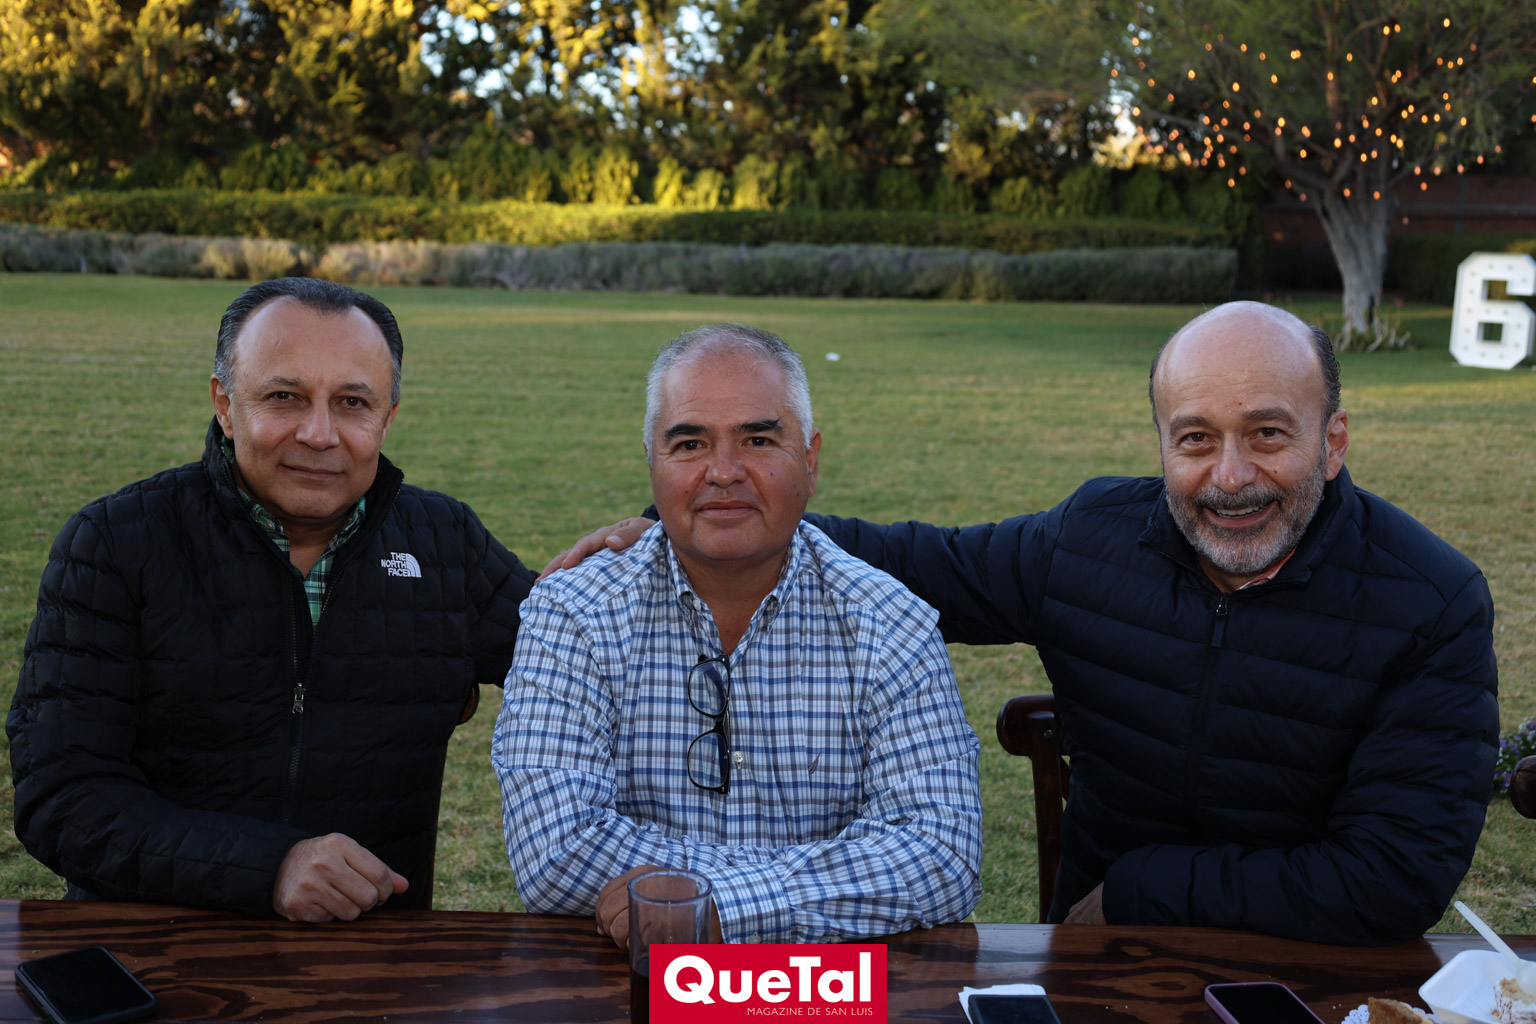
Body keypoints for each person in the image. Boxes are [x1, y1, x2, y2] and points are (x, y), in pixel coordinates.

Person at [547, 301, 1499, 946]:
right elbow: (929, 563)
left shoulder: (1429, 601)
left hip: (1312, 966)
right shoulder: (1094, 540)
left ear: (1332, 442)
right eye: (1196, 439)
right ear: (1161, 445)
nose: (1230, 476)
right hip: (1101, 968)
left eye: (1268, 434)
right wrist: (712, 521)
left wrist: (1141, 889)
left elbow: (1393, 876)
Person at [9, 277, 535, 923]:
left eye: (352, 402)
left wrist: (646, 544)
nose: (319, 433)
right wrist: (269, 867)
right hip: (156, 951)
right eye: (284, 397)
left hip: (371, 959)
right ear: (225, 405)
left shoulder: (447, 543)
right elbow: (62, 799)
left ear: (388, 418)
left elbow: (598, 652)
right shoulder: (117, 543)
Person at [493, 324, 983, 947]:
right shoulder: (573, 614)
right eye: (690, 444)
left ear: (810, 460)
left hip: (824, 992)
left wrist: (721, 905)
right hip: (629, 980)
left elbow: (942, 851)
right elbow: (553, 850)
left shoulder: (890, 623)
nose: (723, 472)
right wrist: (816, 887)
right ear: (651, 463)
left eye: (758, 439)